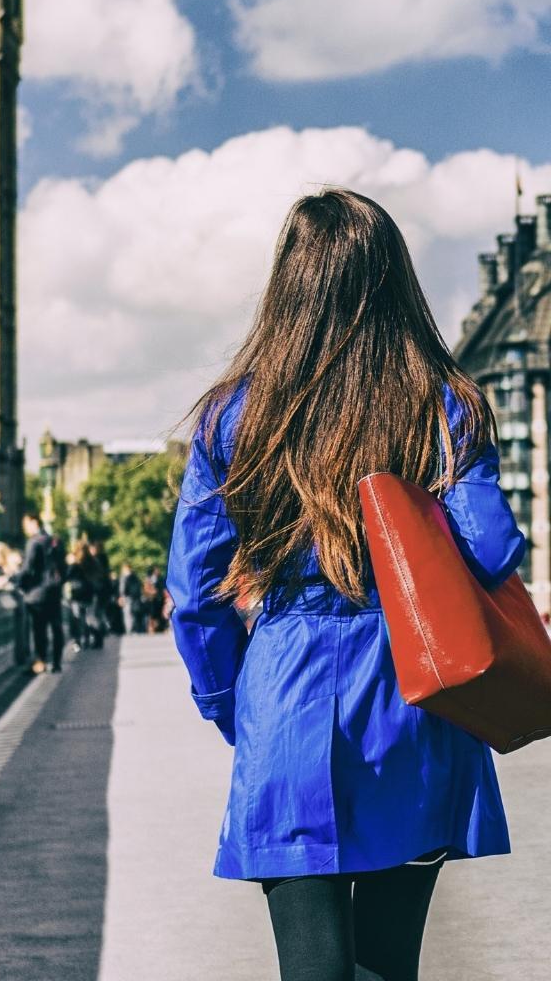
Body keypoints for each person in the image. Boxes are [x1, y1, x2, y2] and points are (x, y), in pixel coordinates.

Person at [167, 188, 525, 981]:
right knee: (390, 966)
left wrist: (232, 704)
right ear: (393, 280)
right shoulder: (443, 405)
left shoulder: (233, 417)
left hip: (287, 694)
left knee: (313, 971)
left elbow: (195, 596)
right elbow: (495, 551)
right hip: (415, 703)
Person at [14, 511, 64, 673]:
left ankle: (40, 661)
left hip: (38, 593)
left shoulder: (34, 542)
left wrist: (16, 582)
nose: (24, 529)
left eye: (25, 525)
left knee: (39, 630)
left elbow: (28, 569)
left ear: (33, 522)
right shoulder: (54, 541)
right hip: (54, 591)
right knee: (56, 626)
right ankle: (56, 663)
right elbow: (63, 567)